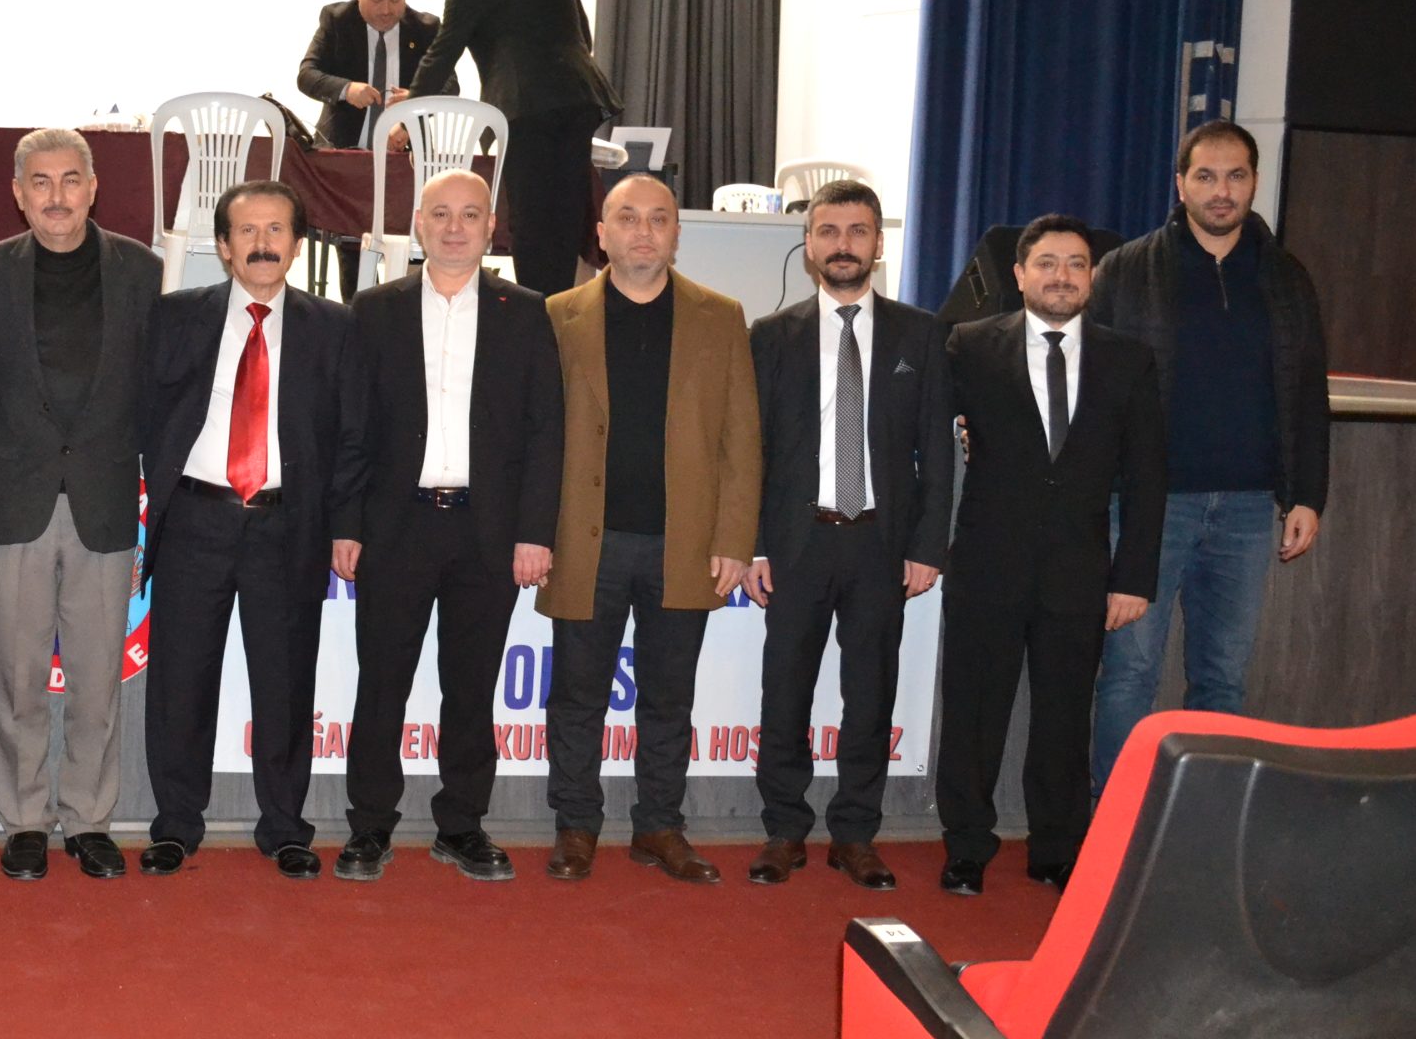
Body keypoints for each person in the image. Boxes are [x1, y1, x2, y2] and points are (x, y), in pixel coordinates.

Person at [331, 169, 563, 881]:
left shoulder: (527, 312)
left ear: (491, 227)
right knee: (382, 685)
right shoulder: (374, 309)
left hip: (486, 531)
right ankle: (370, 826)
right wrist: (347, 523)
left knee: (471, 687)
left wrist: (535, 531)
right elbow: (352, 428)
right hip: (394, 527)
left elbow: (545, 430)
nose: (455, 227)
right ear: (419, 224)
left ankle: (461, 824)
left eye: (470, 214)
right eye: (440, 213)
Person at [1087, 120, 1329, 791]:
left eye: (1236, 176)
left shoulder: (1287, 277)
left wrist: (1307, 495)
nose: (1221, 191)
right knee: (1130, 673)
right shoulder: (1127, 270)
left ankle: (1201, 825)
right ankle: (1115, 821)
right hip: (1148, 509)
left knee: (1222, 679)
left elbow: (1309, 393)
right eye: (1206, 176)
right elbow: (1088, 385)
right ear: (1180, 184)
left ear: (1254, 182)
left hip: (1248, 510)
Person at [933, 214, 1166, 896]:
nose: (1061, 276)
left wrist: (1134, 578)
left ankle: (1056, 849)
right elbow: (926, 430)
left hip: (1079, 570)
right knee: (974, 714)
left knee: (1065, 717)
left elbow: (1147, 476)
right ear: (1019, 274)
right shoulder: (969, 346)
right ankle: (967, 847)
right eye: (1046, 263)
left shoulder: (1129, 359)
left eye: (1075, 264)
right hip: (988, 563)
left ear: (1092, 277)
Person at [536, 174, 760, 881]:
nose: (643, 231)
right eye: (627, 218)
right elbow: (535, 435)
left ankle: (659, 826)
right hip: (585, 541)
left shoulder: (720, 316)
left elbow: (741, 439)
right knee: (577, 696)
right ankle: (576, 824)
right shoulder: (557, 315)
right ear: (601, 234)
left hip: (683, 544)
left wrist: (734, 540)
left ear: (676, 234)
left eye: (658, 218)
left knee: (670, 698)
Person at [139, 180, 363, 878]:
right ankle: (176, 824)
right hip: (194, 519)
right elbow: (145, 413)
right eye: (247, 231)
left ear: (296, 245)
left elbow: (352, 438)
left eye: (276, 230)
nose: (262, 243)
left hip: (288, 525)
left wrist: (345, 526)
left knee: (285, 683)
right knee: (181, 682)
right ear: (224, 246)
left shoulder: (335, 327)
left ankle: (286, 827)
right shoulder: (176, 316)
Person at [742, 181, 953, 890]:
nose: (842, 245)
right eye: (828, 231)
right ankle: (784, 829)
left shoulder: (920, 334)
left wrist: (927, 545)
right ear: (808, 245)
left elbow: (937, 450)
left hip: (881, 545)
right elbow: (752, 451)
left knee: (871, 694)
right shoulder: (771, 336)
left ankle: (856, 833)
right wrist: (756, 544)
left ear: (878, 243)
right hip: (796, 542)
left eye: (857, 231)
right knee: (785, 691)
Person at [0, 127, 161, 881]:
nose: (56, 196)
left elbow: (155, 382)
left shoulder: (143, 271)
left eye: (70, 179)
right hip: (14, 495)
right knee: (16, 679)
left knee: (97, 680)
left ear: (93, 187)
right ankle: (23, 820)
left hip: (105, 500)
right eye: (40, 182)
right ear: (18, 193)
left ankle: (88, 819)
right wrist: (15, 442)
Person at [408, 0, 620, 297]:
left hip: (523, 108)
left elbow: (443, 52)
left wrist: (409, 112)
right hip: (578, 100)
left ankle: (535, 307)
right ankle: (557, 305)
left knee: (530, 216)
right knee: (567, 213)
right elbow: (584, 37)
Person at [297, 0, 453, 148]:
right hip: (340, 150)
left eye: (395, 0)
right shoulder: (338, 20)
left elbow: (450, 85)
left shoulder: (425, 29)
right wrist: (347, 90)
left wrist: (416, 102)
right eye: (376, 0)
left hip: (408, 153)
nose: (386, 10)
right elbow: (307, 75)